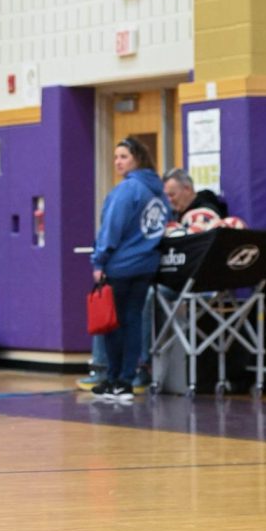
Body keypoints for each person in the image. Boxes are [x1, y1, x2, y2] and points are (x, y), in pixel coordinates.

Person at [89, 137, 170, 402]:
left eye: (123, 156)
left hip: (121, 266)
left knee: (113, 324)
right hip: (146, 266)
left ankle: (114, 379)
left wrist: (99, 260)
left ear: (137, 158)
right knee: (133, 322)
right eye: (115, 157)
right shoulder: (158, 191)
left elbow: (111, 229)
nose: (118, 162)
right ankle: (126, 380)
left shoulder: (128, 189)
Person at [163, 167, 228, 220]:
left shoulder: (207, 213)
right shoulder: (173, 215)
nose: (169, 200)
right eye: (166, 196)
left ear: (187, 189)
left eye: (172, 195)